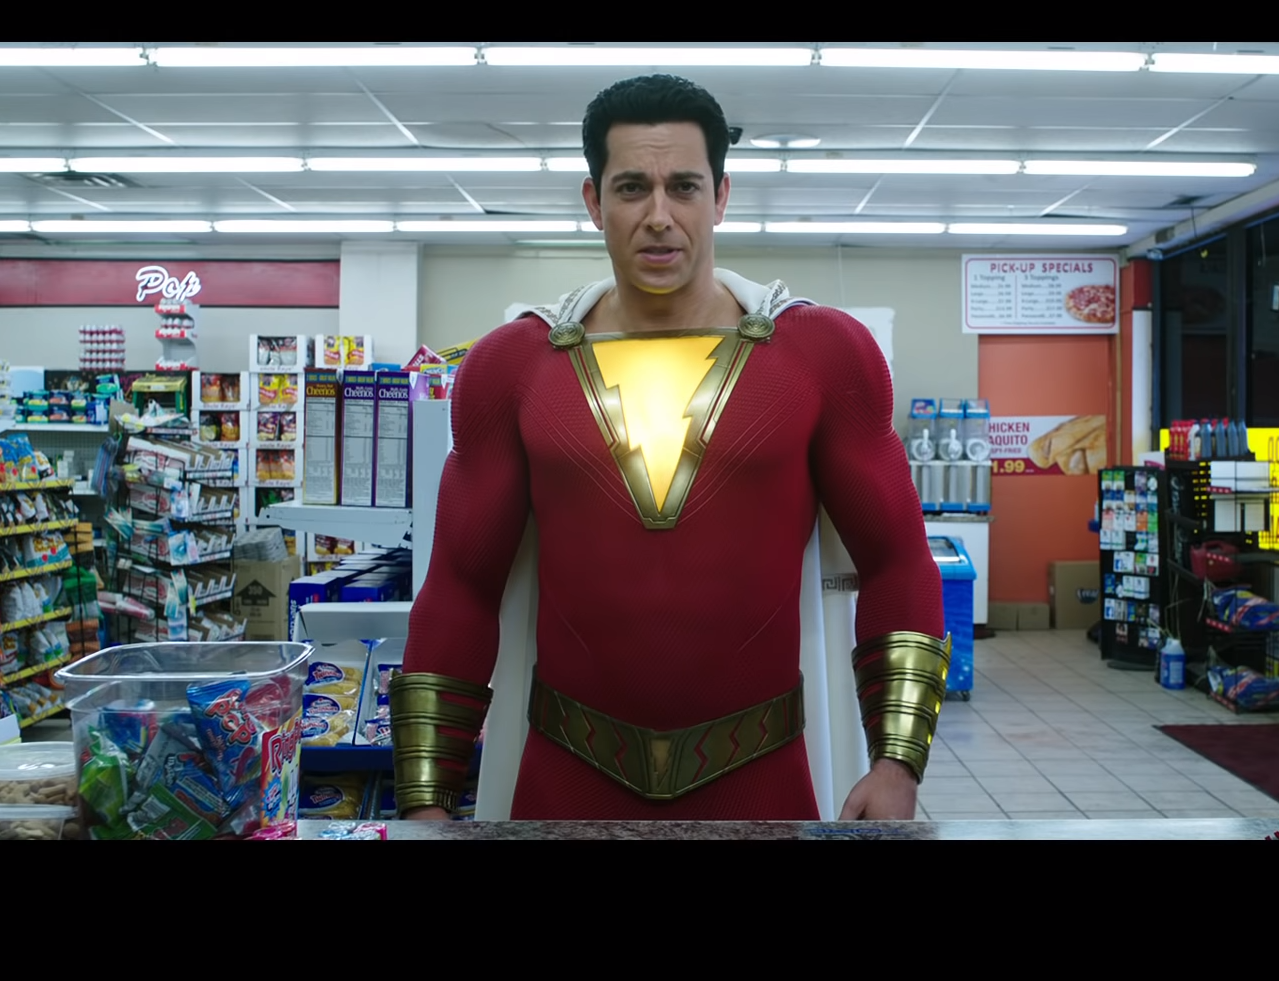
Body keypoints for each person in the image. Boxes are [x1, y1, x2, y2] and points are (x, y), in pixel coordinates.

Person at [388, 74, 949, 822]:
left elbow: (899, 560)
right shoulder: (511, 367)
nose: (659, 216)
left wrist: (897, 765)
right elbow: (459, 585)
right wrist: (424, 800)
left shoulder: (823, 355)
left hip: (762, 781)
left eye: (684, 186)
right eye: (632, 188)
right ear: (594, 202)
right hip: (566, 780)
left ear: (721, 196)